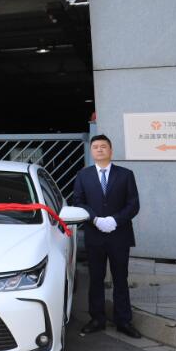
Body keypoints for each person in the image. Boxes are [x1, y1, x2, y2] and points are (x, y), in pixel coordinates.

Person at [72, 134, 142, 338]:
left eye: (103, 146)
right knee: (96, 278)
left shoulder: (126, 175)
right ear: (91, 151)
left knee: (121, 278)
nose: (100, 149)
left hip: (119, 235)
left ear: (111, 150)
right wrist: (94, 219)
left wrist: (115, 220)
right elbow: (78, 202)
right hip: (95, 235)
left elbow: (133, 204)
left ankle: (123, 321)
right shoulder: (83, 175)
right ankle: (97, 319)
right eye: (95, 147)